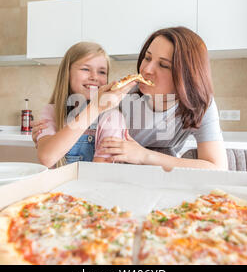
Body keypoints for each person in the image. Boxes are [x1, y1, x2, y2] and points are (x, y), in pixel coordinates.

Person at [34, 27, 228, 171]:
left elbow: (217, 169)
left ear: (186, 76)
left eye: (164, 65)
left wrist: (144, 155)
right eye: (147, 57)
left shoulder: (201, 105)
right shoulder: (119, 98)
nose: (146, 69)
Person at [36, 42, 136, 168]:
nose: (94, 77)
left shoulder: (112, 118)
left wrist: (97, 107)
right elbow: (47, 158)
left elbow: (99, 173)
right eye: (85, 69)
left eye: (102, 72)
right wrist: (94, 108)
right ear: (67, 73)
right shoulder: (51, 111)